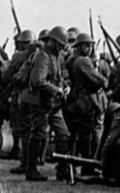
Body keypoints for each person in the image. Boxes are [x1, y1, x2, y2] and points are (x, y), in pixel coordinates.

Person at [21, 25, 71, 182]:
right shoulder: (43, 56)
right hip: (41, 103)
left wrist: (64, 87)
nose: (63, 49)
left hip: (53, 103)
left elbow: (57, 77)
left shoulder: (55, 56)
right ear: (54, 42)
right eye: (61, 45)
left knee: (63, 134)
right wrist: (56, 90)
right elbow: (38, 81)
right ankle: (31, 170)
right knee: (38, 135)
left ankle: (62, 170)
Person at [64, 32, 108, 161]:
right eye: (87, 46)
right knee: (87, 134)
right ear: (79, 46)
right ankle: (87, 164)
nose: (89, 49)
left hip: (76, 100)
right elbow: (99, 80)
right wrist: (104, 79)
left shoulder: (71, 59)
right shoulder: (82, 60)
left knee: (76, 134)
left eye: (90, 46)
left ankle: (71, 164)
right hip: (86, 101)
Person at [2, 29, 38, 174]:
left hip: (20, 97)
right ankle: (31, 162)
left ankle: (25, 164)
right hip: (36, 98)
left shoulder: (18, 57)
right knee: (33, 130)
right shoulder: (42, 56)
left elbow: (6, 76)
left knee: (24, 131)